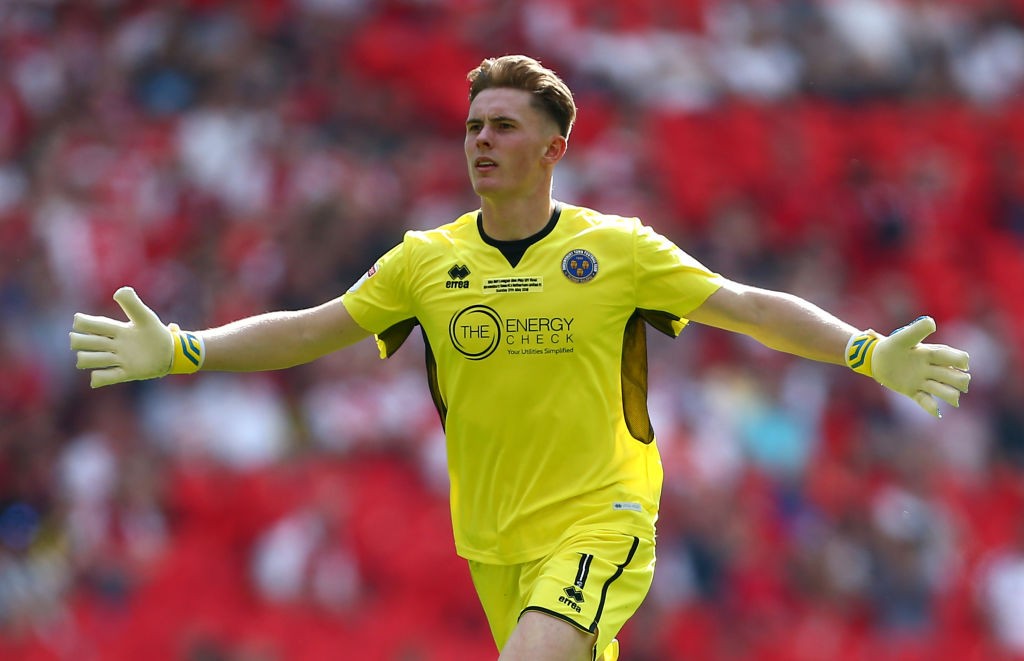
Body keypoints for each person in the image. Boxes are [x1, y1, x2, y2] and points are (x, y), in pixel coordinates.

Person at [69, 55, 971, 661]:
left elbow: (745, 306)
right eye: (472, 127)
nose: (481, 141)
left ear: (554, 148)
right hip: (493, 535)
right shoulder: (426, 260)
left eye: (503, 125)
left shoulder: (619, 249)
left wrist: (861, 349)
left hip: (601, 515)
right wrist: (186, 347)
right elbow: (313, 327)